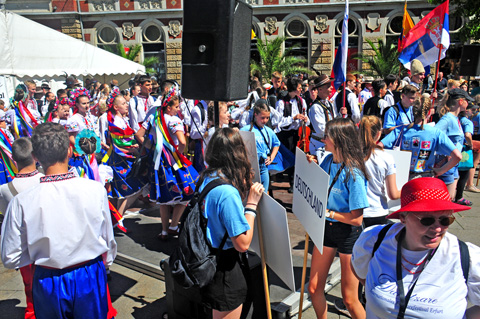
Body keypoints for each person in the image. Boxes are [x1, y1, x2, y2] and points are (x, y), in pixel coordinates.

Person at [1, 122, 117, 319]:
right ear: (70, 150)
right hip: (89, 274)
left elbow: (11, 257)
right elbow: (108, 240)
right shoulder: (95, 190)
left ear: (35, 157)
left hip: (47, 278)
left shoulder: (22, 201)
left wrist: (43, 253)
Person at [351, 177, 480, 319]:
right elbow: (359, 270)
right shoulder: (374, 240)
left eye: (445, 220)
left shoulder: (466, 257)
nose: (437, 228)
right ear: (403, 218)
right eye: (427, 220)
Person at [198, 127, 264, 319]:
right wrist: (251, 205)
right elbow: (242, 243)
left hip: (208, 258)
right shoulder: (227, 193)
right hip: (224, 267)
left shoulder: (208, 177)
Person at [308, 118, 369, 319]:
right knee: (314, 288)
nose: (324, 139)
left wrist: (329, 213)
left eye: (328, 136)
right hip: (327, 228)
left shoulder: (354, 173)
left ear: (339, 140)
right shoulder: (327, 160)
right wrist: (310, 166)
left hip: (348, 234)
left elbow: (357, 220)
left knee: (350, 299)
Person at [136, 87, 199, 241]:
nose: (178, 110)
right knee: (188, 191)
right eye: (176, 107)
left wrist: (152, 147)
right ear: (169, 107)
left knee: (164, 199)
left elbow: (138, 135)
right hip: (174, 162)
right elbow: (183, 141)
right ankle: (173, 226)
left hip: (158, 162)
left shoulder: (153, 118)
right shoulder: (174, 120)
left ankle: (165, 230)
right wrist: (180, 153)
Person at [0, 138, 43, 319]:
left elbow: (7, 218)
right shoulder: (46, 179)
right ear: (35, 155)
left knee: (30, 287)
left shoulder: (4, 189)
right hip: (48, 244)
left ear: (13, 160)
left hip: (25, 249)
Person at [381, 94, 461, 180]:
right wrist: (440, 171)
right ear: (429, 112)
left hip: (401, 176)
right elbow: (457, 156)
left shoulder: (401, 130)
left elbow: (379, 147)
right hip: (425, 178)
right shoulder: (436, 133)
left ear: (411, 111)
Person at [104, 93, 146, 216]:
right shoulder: (115, 121)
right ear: (116, 107)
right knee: (129, 188)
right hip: (121, 158)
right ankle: (118, 217)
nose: (126, 105)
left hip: (125, 157)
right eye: (123, 104)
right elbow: (118, 142)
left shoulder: (122, 119)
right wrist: (132, 148)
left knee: (125, 189)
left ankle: (118, 217)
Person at [360, 116, 400, 226]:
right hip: (377, 212)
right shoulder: (386, 158)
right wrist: (409, 190)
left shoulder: (351, 156)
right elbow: (394, 194)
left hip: (355, 212)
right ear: (379, 133)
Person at [435, 88, 474, 200]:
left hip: (453, 164)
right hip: (446, 163)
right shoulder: (448, 118)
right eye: (467, 100)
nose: (469, 103)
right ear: (460, 101)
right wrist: (446, 152)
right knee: (446, 201)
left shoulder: (455, 118)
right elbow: (435, 133)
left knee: (450, 199)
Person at [241, 99, 280, 191]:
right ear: (255, 115)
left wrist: (271, 157)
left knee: (264, 193)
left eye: (267, 118)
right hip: (250, 167)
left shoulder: (269, 131)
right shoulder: (246, 129)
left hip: (263, 167)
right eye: (262, 117)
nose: (265, 120)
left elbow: (277, 144)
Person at [307, 74, 337, 161]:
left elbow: (334, 120)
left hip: (329, 143)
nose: (331, 88)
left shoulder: (329, 104)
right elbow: (321, 129)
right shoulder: (315, 107)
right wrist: (336, 131)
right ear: (320, 89)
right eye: (328, 86)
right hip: (319, 145)